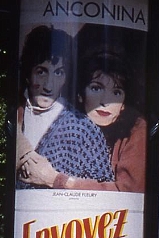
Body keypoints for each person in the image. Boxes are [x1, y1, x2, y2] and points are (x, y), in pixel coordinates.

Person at [20, 48, 146, 192]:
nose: (105, 102)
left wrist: (56, 179)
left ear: (124, 103)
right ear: (80, 94)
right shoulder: (70, 124)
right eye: (96, 89)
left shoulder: (138, 131)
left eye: (116, 92)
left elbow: (127, 191)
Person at [16, 26, 113, 189]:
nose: (49, 86)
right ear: (27, 73)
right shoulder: (14, 117)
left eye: (59, 73)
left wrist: (55, 180)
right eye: (41, 72)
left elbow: (106, 190)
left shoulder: (83, 129)